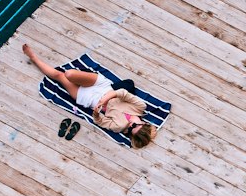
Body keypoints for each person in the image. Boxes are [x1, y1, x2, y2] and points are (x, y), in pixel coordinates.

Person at [22, 42, 156, 149]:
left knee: (60, 76)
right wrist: (106, 98)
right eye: (135, 125)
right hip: (103, 88)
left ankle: (33, 57)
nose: (130, 124)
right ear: (144, 122)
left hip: (88, 99)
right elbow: (122, 93)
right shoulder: (140, 107)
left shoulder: (118, 127)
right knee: (70, 74)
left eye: (130, 129)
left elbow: (99, 121)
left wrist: (97, 113)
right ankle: (81, 75)